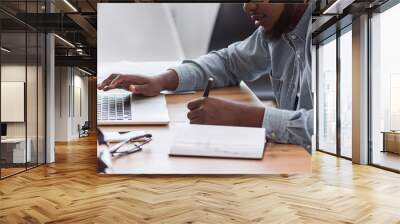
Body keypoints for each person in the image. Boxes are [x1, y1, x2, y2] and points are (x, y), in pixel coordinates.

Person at [98, 3, 313, 153]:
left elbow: (337, 131)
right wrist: (162, 80)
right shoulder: (277, 31)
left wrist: (246, 117)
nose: (248, 7)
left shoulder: (337, 29)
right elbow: (229, 62)